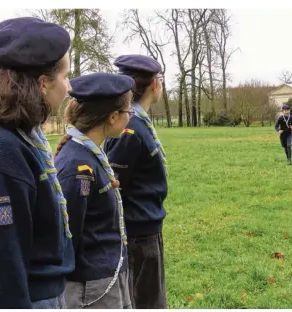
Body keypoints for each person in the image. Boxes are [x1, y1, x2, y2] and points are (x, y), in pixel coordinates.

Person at [0, 17, 74, 309]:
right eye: (65, 75)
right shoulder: (2, 152)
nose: (70, 87)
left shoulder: (23, 134)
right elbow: (1, 272)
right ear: (43, 83)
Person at [54, 73, 135, 308]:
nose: (130, 118)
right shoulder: (78, 167)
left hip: (106, 276)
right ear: (112, 117)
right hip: (92, 286)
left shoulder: (89, 155)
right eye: (128, 112)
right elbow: (69, 237)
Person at [104, 54, 168, 309]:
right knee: (145, 302)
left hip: (145, 227)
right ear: (154, 84)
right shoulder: (131, 129)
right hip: (137, 235)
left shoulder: (138, 122)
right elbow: (116, 185)